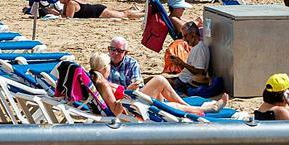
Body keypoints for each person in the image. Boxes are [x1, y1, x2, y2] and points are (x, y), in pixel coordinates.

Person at [87, 53, 226, 117]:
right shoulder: (103, 85)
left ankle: (205, 109)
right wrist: (127, 93)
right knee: (159, 80)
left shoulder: (99, 82)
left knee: (164, 100)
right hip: (130, 109)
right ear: (105, 69)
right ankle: (206, 109)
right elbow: (115, 111)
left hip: (131, 103)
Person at [168, 21, 213, 94]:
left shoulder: (200, 48)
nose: (184, 39)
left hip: (186, 82)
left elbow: (200, 72)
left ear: (193, 34)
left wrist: (182, 63)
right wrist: (180, 63)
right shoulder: (196, 47)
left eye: (185, 36)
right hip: (183, 79)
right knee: (156, 80)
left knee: (157, 81)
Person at [58, 0, 143, 20]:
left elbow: (68, 18)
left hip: (98, 12)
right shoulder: (69, 2)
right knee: (121, 12)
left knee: (124, 15)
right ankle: (140, 11)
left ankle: (144, 14)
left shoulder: (71, 4)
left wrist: (54, 14)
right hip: (97, 9)